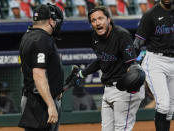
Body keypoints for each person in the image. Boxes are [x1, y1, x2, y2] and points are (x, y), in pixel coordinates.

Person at [71, 6, 145, 131]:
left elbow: (132, 65)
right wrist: (82, 74)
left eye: (100, 18)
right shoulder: (95, 38)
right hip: (108, 89)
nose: (97, 22)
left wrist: (132, 87)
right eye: (93, 20)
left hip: (124, 89)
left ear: (108, 19)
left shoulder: (122, 36)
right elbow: (101, 60)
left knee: (121, 128)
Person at [18, 3, 64, 131]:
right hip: (40, 103)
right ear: (50, 21)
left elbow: (24, 68)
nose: (57, 24)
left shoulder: (28, 35)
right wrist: (50, 105)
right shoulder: (42, 39)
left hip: (34, 99)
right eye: (56, 21)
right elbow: (38, 74)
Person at [134, 0, 174, 130]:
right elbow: (138, 43)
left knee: (170, 108)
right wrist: (130, 63)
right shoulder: (150, 14)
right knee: (163, 105)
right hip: (156, 61)